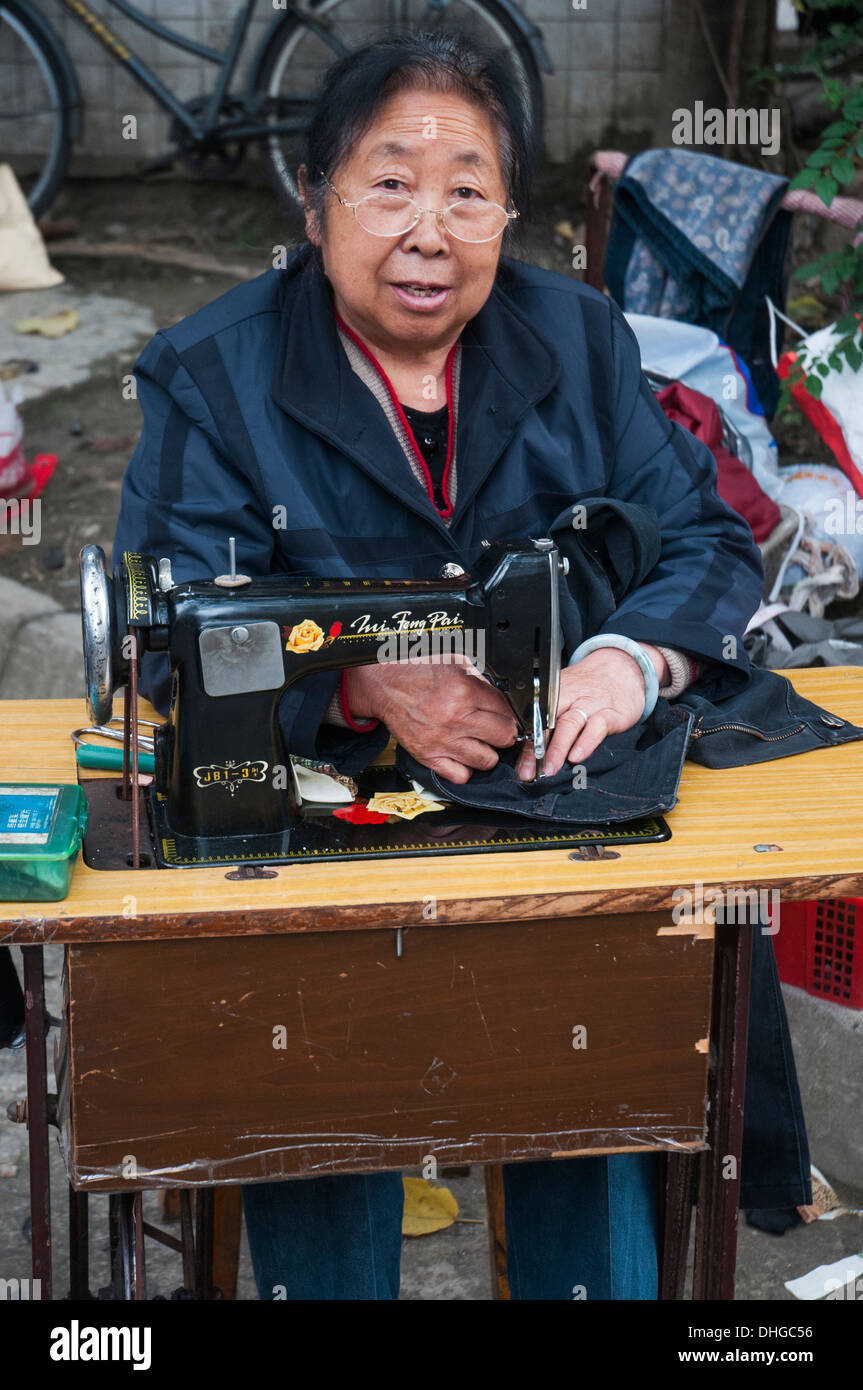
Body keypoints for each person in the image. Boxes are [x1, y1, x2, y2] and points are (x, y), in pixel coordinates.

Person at [112, 31, 797, 1300]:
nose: (429, 229)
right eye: (388, 184)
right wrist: (360, 681)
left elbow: (703, 538)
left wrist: (621, 664)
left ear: (506, 215)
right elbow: (164, 621)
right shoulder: (215, 372)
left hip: (550, 796)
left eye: (467, 190)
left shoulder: (577, 338)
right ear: (312, 201)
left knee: (589, 1068)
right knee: (315, 1090)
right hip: (315, 829)